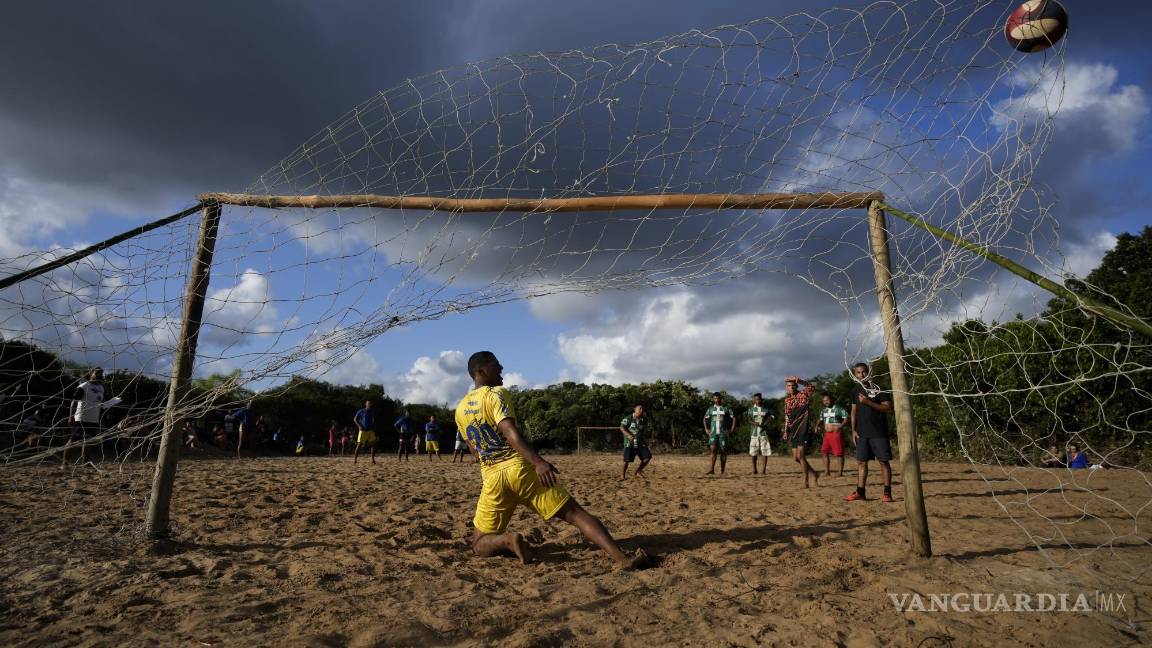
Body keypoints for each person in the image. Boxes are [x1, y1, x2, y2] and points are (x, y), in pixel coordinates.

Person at [455, 351, 649, 569]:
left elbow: (474, 450)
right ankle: (622, 559)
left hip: (492, 478)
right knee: (576, 514)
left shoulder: (460, 409)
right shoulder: (496, 394)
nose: (501, 368)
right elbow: (509, 431)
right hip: (521, 470)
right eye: (495, 365)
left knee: (478, 542)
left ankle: (506, 540)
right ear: (481, 371)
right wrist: (538, 462)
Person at [845, 362, 894, 502]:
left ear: (869, 372)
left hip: (879, 432)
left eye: (864, 372)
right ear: (855, 375)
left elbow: (888, 408)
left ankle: (887, 493)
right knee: (861, 462)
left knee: (883, 462)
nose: (862, 375)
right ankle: (860, 491)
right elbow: (853, 411)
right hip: (861, 433)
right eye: (859, 373)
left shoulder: (880, 389)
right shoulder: (856, 390)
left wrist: (868, 402)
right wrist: (853, 430)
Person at [782, 376, 820, 488]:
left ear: (796, 386)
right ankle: (814, 473)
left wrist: (801, 381)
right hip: (794, 430)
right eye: (789, 386)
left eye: (793, 385)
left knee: (801, 455)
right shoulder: (787, 400)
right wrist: (786, 431)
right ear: (786, 388)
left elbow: (812, 387)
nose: (792, 387)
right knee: (796, 457)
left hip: (804, 428)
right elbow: (787, 416)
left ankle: (806, 480)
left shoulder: (803, 395)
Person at [65, 368, 106, 466]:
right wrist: (71, 417)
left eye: (101, 373)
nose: (100, 374)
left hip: (94, 419)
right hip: (81, 418)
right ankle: (64, 463)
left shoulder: (101, 388)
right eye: (97, 373)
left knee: (88, 442)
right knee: (73, 441)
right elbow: (73, 402)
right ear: (91, 374)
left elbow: (100, 403)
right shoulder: (83, 386)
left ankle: (85, 463)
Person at [703, 392, 734, 475]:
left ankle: (722, 471)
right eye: (715, 398)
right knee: (713, 449)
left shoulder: (726, 408)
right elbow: (705, 418)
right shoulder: (710, 409)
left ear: (721, 398)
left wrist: (731, 429)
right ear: (713, 399)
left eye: (718, 398)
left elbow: (734, 418)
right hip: (713, 433)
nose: (717, 400)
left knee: (723, 450)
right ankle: (712, 469)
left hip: (723, 433)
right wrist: (706, 429)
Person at [619, 404, 653, 480]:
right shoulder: (628, 418)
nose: (641, 410)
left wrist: (644, 441)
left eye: (642, 409)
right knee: (626, 460)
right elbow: (621, 427)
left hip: (640, 442)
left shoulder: (643, 420)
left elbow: (642, 431)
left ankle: (638, 471)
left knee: (647, 457)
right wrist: (628, 435)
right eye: (640, 408)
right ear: (635, 409)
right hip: (629, 443)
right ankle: (622, 475)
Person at [819, 393, 849, 478]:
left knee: (838, 453)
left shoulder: (838, 409)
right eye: (824, 401)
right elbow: (820, 419)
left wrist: (840, 426)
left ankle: (840, 472)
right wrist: (817, 426)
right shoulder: (823, 410)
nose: (826, 402)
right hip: (827, 434)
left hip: (836, 433)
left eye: (827, 400)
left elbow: (847, 417)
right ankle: (827, 471)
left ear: (832, 400)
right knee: (824, 452)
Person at [746, 393, 773, 475]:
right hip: (754, 434)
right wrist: (754, 423)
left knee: (765, 452)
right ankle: (754, 469)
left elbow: (771, 417)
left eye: (759, 399)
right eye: (756, 399)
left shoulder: (766, 409)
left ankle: (764, 470)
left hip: (763, 433)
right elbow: (749, 419)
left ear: (762, 399)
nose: (758, 401)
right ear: (754, 400)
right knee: (753, 452)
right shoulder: (751, 409)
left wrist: (765, 423)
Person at [352, 400, 377, 465]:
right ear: (365, 404)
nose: (369, 405)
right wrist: (359, 426)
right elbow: (355, 419)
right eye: (368, 404)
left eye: (370, 404)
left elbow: (373, 419)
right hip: (363, 430)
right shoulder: (361, 411)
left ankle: (373, 459)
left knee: (373, 444)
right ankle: (355, 459)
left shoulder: (371, 411)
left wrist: (373, 426)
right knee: (359, 445)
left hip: (370, 430)